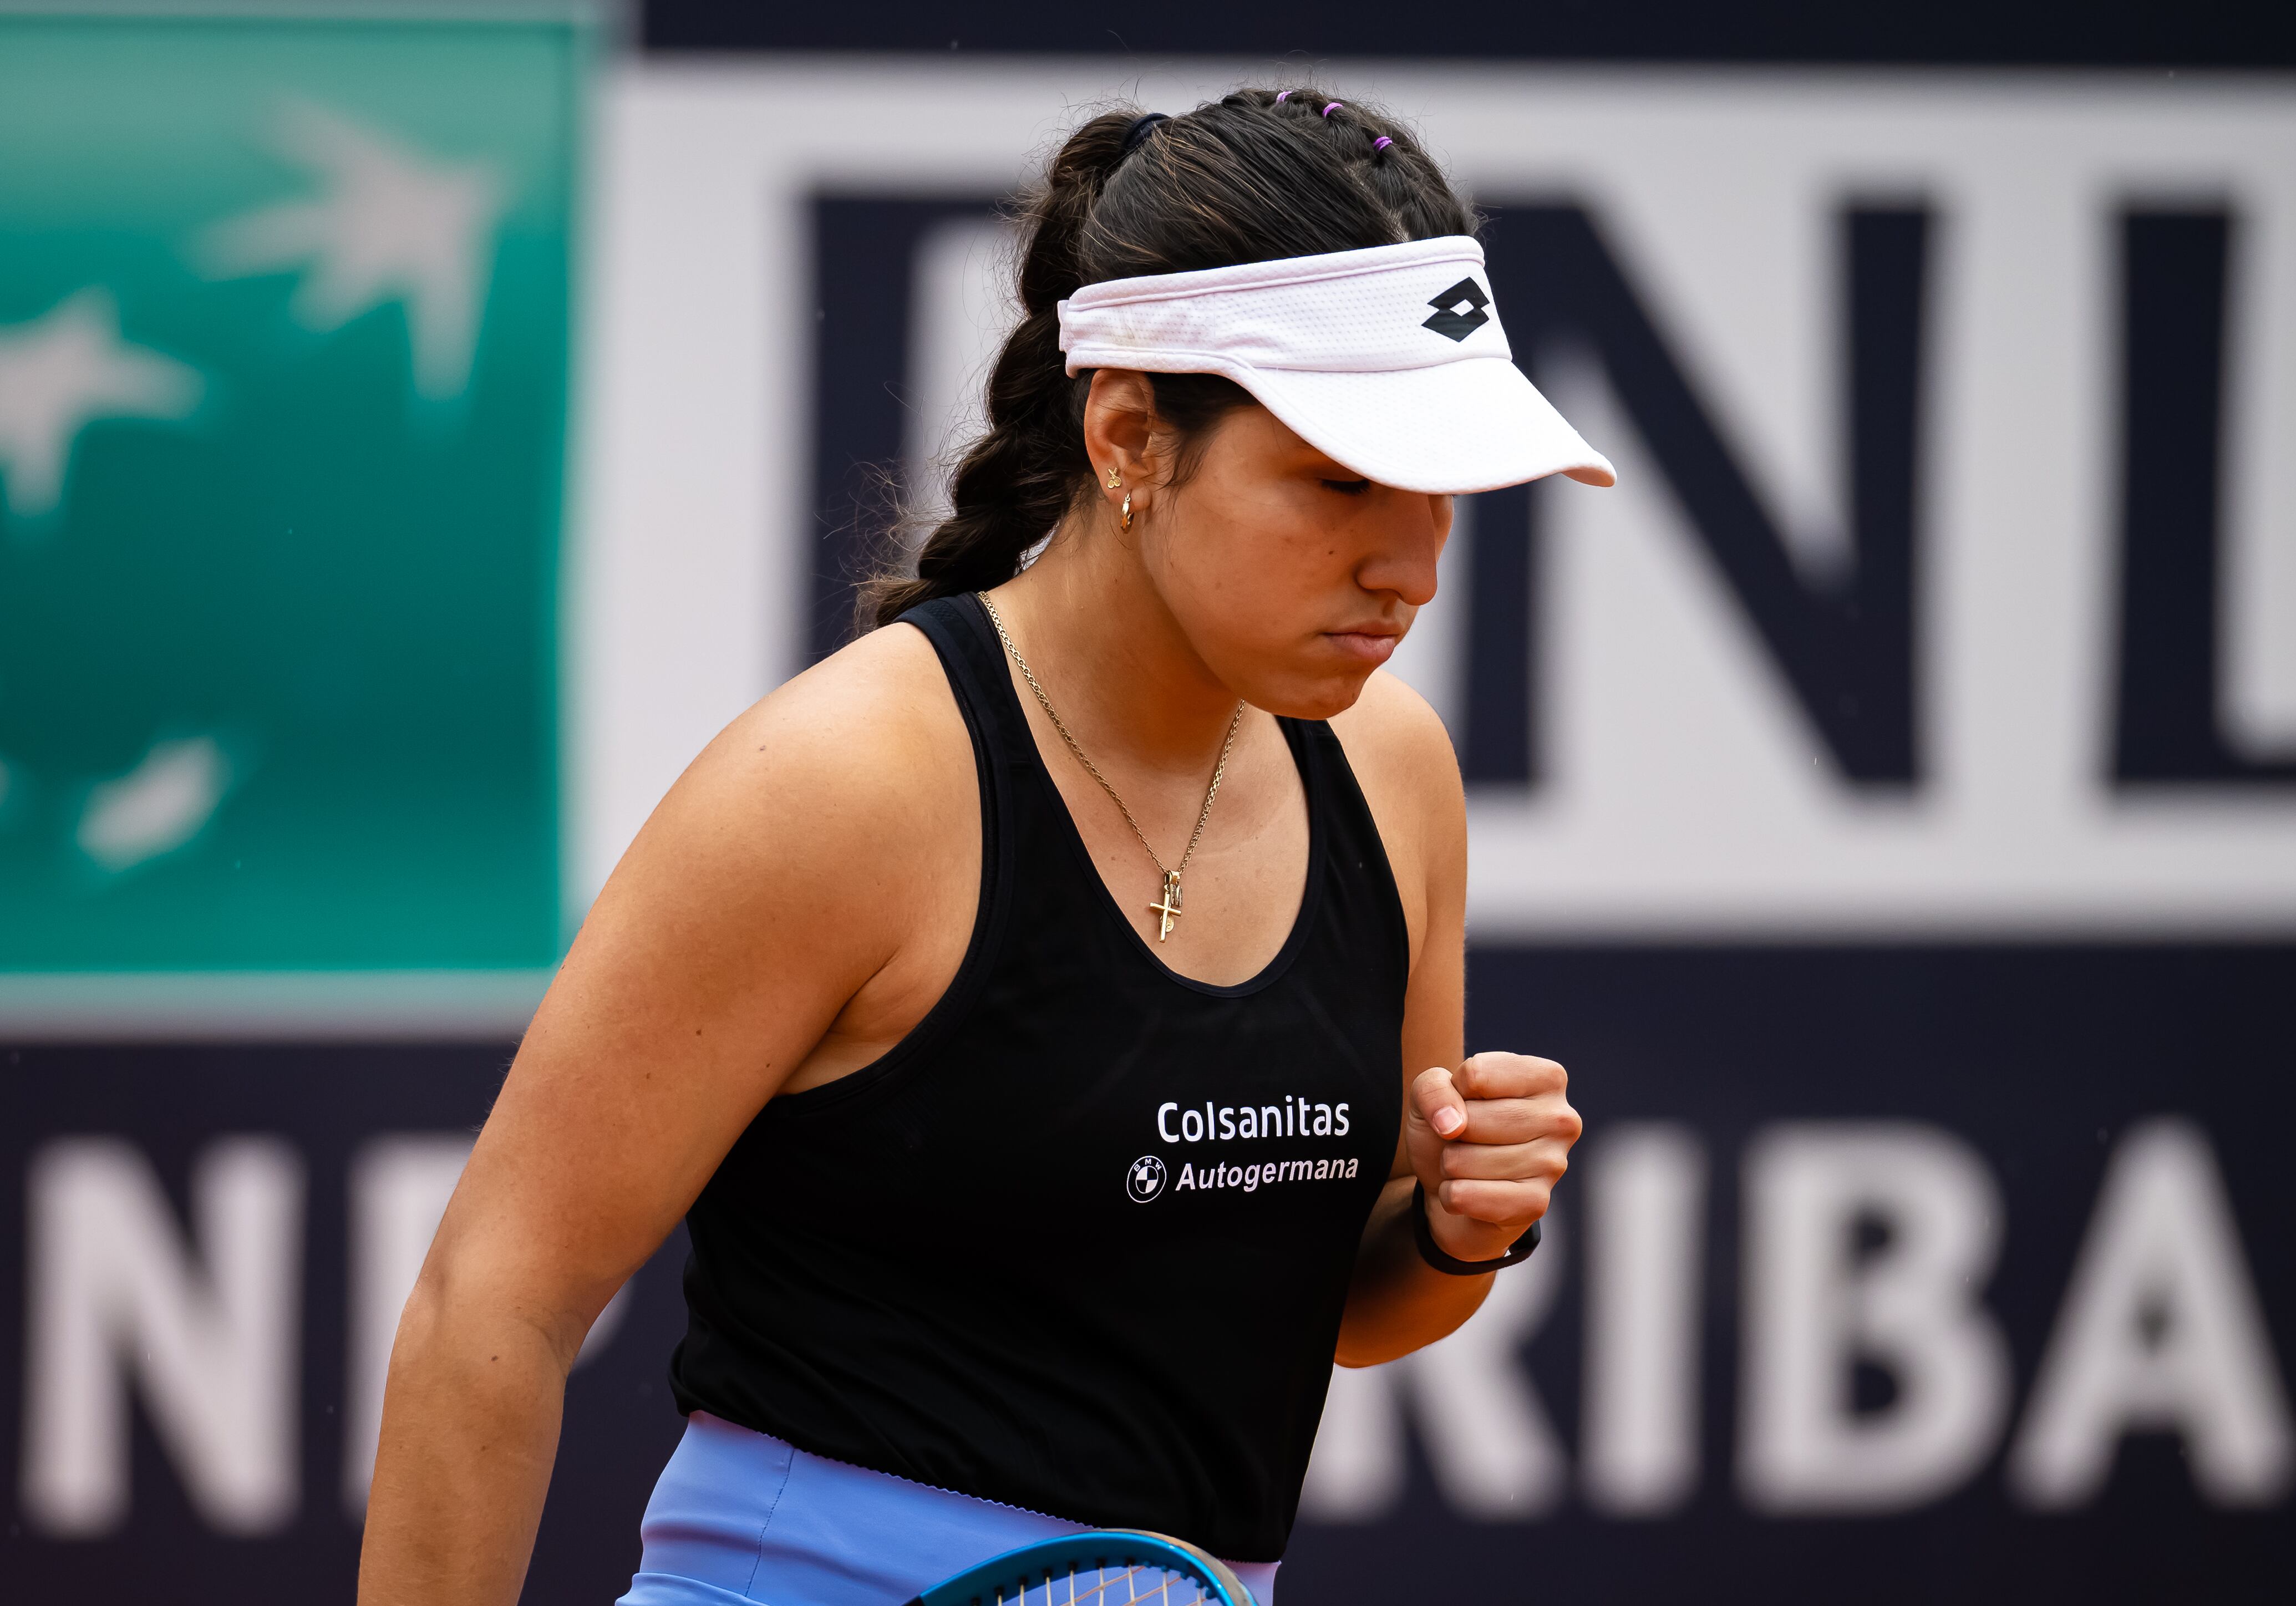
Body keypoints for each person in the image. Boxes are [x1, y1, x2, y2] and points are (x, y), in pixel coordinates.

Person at [357, 86, 1614, 1606]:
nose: (1409, 564)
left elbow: (1346, 1307)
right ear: (1130, 434)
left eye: (1442, 488)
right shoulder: (845, 785)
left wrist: (1459, 1229)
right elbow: (489, 1304)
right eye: (1339, 478)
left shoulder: (1394, 769)